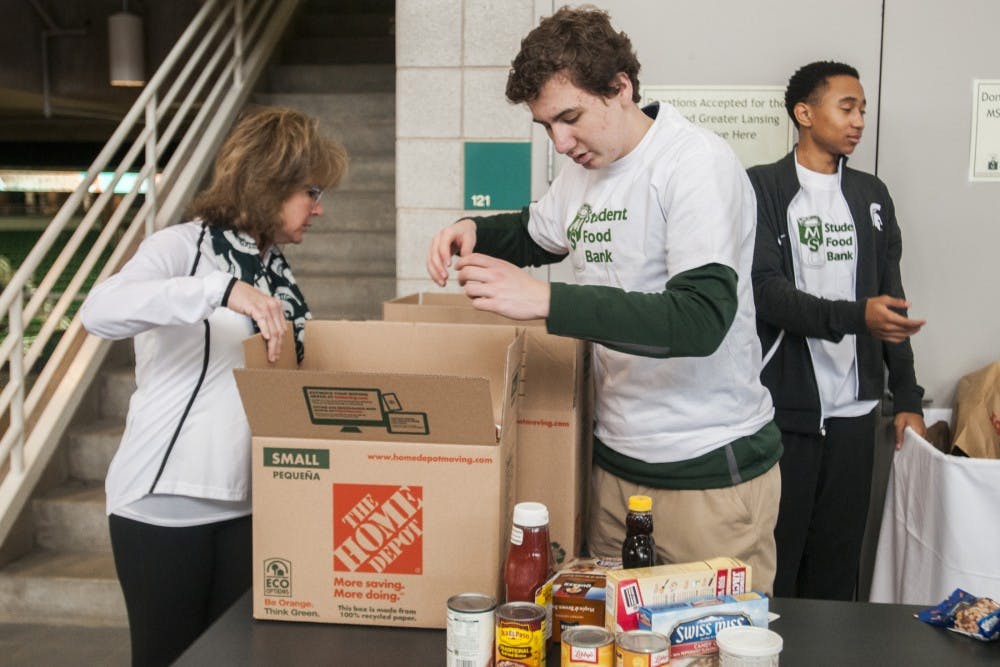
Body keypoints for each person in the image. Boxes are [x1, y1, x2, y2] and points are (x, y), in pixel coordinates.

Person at [426, 6, 782, 593]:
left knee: (710, 648)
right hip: (616, 465)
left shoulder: (694, 164)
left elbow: (699, 321)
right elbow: (536, 231)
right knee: (612, 644)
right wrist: (473, 229)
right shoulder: (584, 172)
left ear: (621, 88)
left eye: (570, 118)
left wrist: (547, 301)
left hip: (707, 472)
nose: (561, 142)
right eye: (546, 126)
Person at [80, 106, 347, 666]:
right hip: (163, 503)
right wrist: (216, 290)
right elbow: (99, 310)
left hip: (249, 504)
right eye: (311, 191)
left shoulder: (277, 268)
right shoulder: (183, 246)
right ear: (269, 183)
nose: (319, 208)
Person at [748, 61, 926, 600]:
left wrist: (909, 397)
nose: (858, 121)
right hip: (784, 413)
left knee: (836, 567)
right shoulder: (762, 188)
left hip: (855, 416)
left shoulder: (872, 195)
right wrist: (856, 317)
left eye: (863, 110)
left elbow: (889, 302)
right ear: (804, 113)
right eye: (846, 107)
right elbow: (767, 294)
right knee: (777, 565)